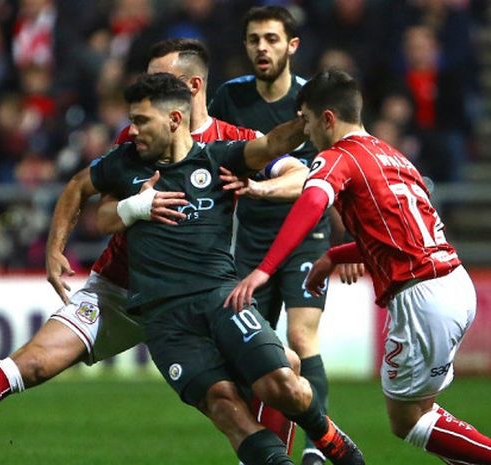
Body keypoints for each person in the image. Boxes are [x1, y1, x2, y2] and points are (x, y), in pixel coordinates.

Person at [0, 39, 305, 465]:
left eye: (162, 79)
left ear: (193, 87)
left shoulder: (233, 142)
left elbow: (298, 172)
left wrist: (260, 188)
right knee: (35, 361)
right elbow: (96, 202)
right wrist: (61, 247)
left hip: (199, 296)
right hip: (121, 290)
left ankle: (308, 446)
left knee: (267, 380)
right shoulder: (137, 137)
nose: (150, 86)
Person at [83, 72, 364, 465]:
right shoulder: (124, 163)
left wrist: (309, 117)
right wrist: (59, 246)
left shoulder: (217, 156)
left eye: (142, 120)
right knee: (223, 403)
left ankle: (327, 435)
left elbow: (273, 145)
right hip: (164, 320)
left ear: (174, 120)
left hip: (221, 300)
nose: (132, 130)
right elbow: (81, 194)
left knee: (283, 384)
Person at [226, 68, 491, 465]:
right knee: (426, 413)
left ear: (328, 119)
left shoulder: (338, 157)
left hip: (421, 297)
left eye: (309, 123)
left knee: (409, 421)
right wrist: (336, 255)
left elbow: (312, 202)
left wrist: (265, 268)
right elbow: (398, 234)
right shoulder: (390, 154)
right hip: (453, 281)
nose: (308, 135)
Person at [208, 7, 333, 464]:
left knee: (302, 339)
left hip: (306, 238)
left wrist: (349, 237)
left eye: (272, 39)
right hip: (251, 241)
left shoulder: (315, 99)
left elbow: (332, 172)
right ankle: (264, 453)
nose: (263, 47)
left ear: (292, 46)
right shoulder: (230, 97)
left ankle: (321, 447)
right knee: (250, 352)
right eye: (255, 39)